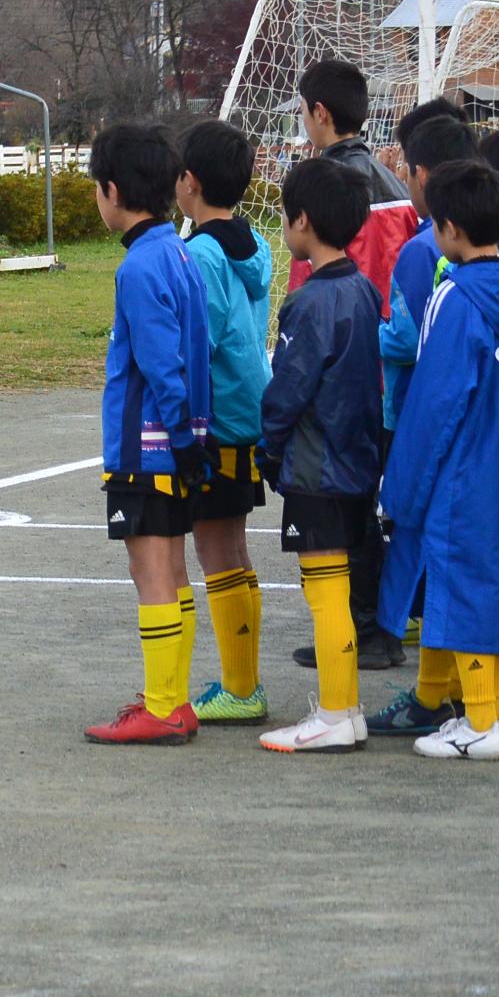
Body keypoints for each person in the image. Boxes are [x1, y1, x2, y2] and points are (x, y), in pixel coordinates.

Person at [82, 123, 213, 747]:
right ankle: (175, 699)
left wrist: (183, 442)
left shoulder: (139, 266)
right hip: (178, 441)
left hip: (147, 447)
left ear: (112, 191)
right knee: (174, 570)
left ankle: (162, 705)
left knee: (150, 571)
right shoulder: (178, 250)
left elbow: (163, 363)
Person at [378, 160, 499, 759]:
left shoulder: (454, 297)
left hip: (468, 469)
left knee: (466, 584)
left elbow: (434, 403)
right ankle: (470, 710)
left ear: (449, 229)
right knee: (492, 585)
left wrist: (400, 488)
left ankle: (484, 722)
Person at [255, 158, 383, 753]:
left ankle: (336, 712)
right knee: (336, 585)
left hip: (317, 466)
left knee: (326, 589)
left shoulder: (309, 304)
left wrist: (267, 449)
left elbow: (287, 389)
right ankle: (345, 710)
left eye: (284, 214)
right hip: (356, 461)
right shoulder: (362, 289)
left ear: (301, 220)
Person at [365, 115, 478, 733]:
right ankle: (444, 698)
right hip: (483, 438)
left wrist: (368, 334)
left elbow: (409, 342)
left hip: (425, 424)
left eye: (407, 167)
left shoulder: (423, 251)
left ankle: (463, 708)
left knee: (441, 562)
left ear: (426, 176)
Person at [174, 121, 272, 725]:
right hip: (249, 409)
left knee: (216, 549)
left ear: (189, 182)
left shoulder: (201, 254)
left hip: (221, 419)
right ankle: (244, 682)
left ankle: (241, 687)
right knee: (230, 545)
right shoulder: (252, 242)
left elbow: (199, 340)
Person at [286, 59, 414, 312]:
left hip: (338, 331)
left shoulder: (317, 189)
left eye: (303, 111)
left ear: (320, 112)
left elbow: (305, 281)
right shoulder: (400, 189)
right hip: (393, 338)